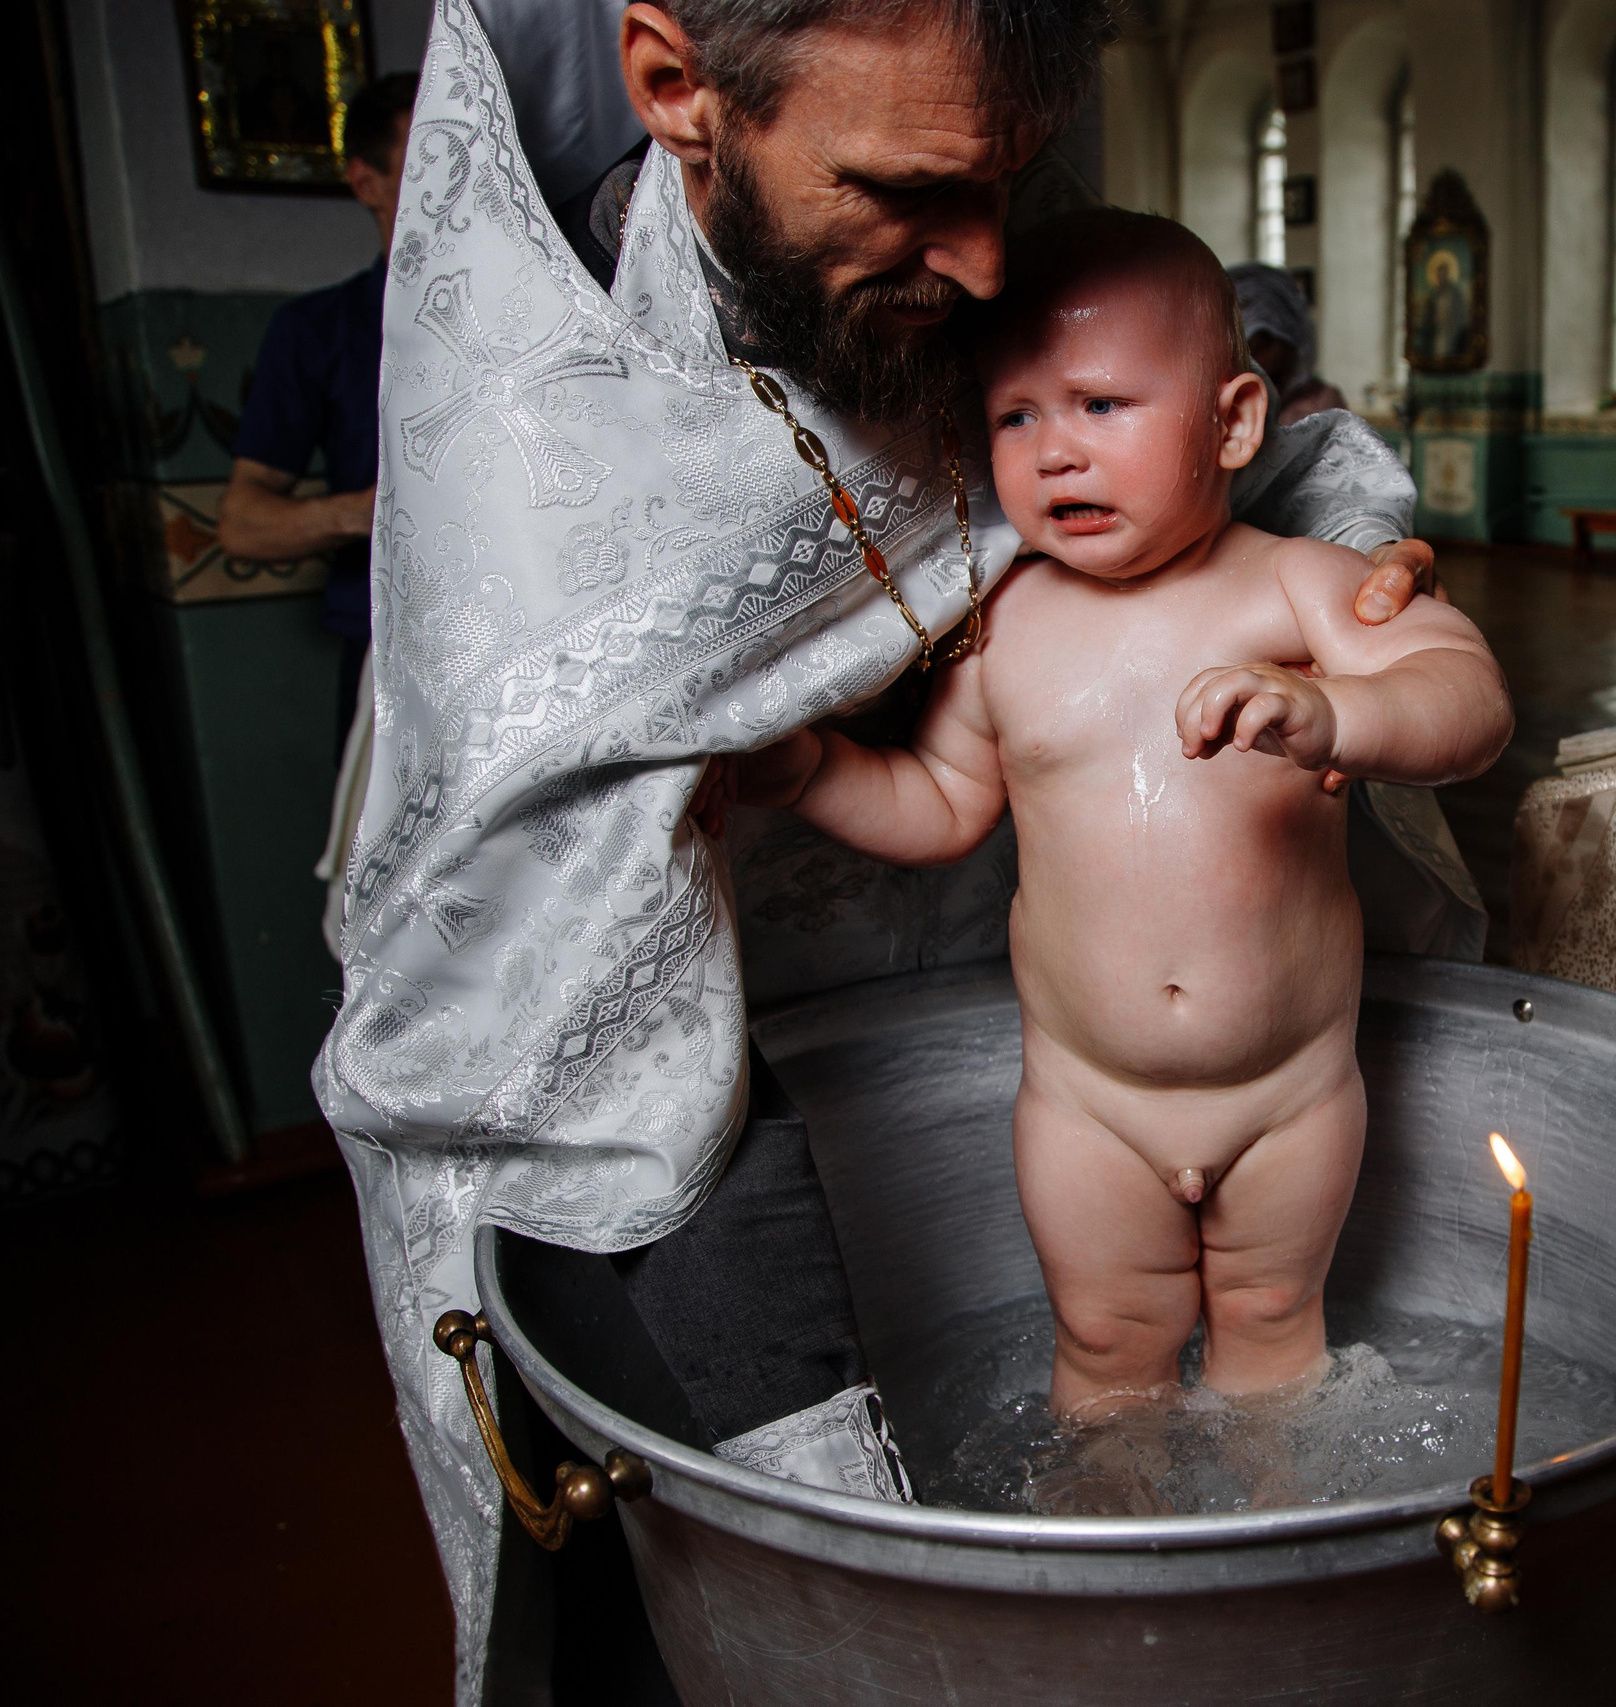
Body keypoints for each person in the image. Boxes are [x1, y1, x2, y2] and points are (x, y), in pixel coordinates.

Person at [321, 6, 1454, 1696]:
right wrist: (786, 764)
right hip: (740, 1052)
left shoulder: (969, 196)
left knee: (1268, 1370)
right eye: (913, 190)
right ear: (676, 92)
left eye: (1008, 177)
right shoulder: (542, 436)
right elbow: (526, 905)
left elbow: (1255, 450)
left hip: (1135, 996)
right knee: (795, 1565)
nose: (988, 253)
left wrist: (1351, 600)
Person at [734, 213, 1508, 1420]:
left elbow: (1467, 699)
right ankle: (1102, 1570)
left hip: (1289, 1096)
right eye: (1015, 417)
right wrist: (806, 774)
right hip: (1090, 1106)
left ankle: (1263, 1554)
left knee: (1272, 1341)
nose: (1057, 454)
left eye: (1102, 406)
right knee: (1105, 1351)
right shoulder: (1002, 633)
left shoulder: (1294, 588)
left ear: (1233, 421)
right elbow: (941, 805)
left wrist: (1337, 711)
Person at [218, 72, 413, 737]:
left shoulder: (534, 317)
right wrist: (376, 510)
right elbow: (242, 524)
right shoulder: (316, 331)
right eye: (429, 160)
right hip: (387, 660)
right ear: (367, 183)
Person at [1227, 261, 1345, 426]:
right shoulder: (1227, 405)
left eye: (1264, 343)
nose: (1254, 358)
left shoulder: (1319, 407)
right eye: (1247, 346)